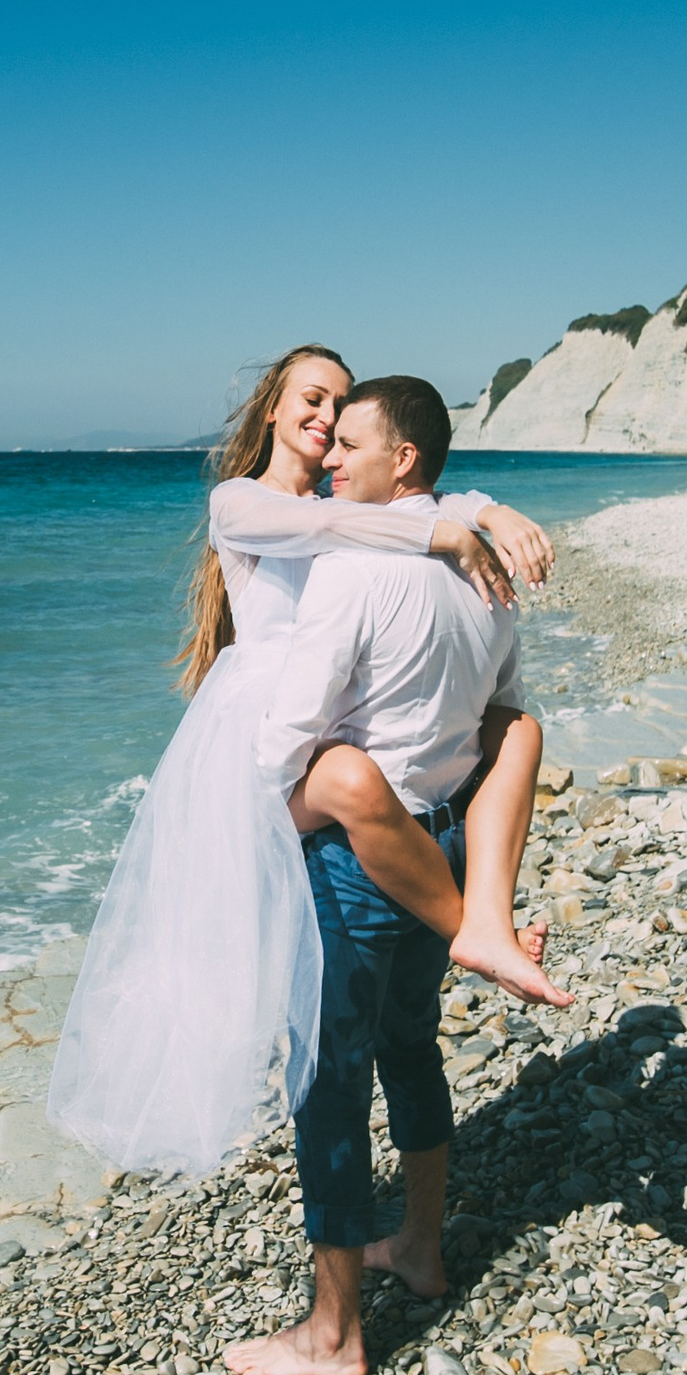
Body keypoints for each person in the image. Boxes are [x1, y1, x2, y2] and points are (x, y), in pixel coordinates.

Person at [46, 346, 557, 1182]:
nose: (326, 417)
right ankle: (471, 923)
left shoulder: (350, 497)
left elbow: (408, 487)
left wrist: (484, 508)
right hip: (263, 732)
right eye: (311, 399)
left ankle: (470, 926)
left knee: (341, 980)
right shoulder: (240, 501)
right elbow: (343, 523)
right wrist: (454, 522)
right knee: (246, 951)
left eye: (341, 405)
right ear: (273, 411)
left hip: (321, 725)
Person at [224, 374, 570, 1375]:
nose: (333, 456)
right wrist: (478, 512)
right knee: (411, 1047)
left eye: (352, 442)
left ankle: (331, 1332)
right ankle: (419, 1244)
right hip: (446, 838)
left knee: (327, 1084)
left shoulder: (351, 568)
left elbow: (293, 730)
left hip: (357, 857)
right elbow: (501, 710)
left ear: (400, 458)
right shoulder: (481, 573)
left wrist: (257, 819)